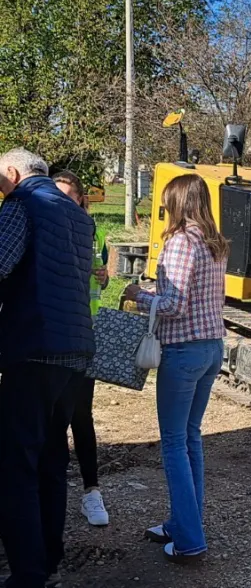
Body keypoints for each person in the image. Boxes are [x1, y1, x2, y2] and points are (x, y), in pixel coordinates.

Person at [0, 148, 95, 588]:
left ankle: (28, 573)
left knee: (16, 463)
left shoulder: (23, 203)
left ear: (13, 172)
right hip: (75, 352)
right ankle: (49, 556)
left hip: (34, 346)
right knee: (52, 459)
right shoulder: (78, 216)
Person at [124, 174, 227, 566]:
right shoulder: (215, 242)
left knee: (173, 443)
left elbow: (175, 304)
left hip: (183, 351)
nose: (164, 208)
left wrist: (139, 295)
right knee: (189, 438)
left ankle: (189, 541)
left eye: (167, 202)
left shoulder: (182, 241)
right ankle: (184, 525)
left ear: (179, 203)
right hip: (211, 347)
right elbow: (192, 297)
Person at [52, 170, 110, 527]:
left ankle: (92, 491)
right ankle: (53, 494)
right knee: (53, 419)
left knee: (81, 415)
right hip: (51, 340)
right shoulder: (46, 231)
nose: (61, 203)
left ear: (80, 199)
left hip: (84, 335)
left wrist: (104, 276)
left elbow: (102, 277)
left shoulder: (94, 232)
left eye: (68, 196)